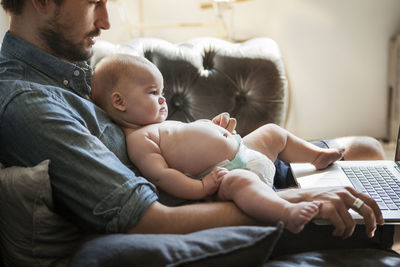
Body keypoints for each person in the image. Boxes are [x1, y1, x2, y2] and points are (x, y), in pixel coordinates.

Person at [0, 0, 393, 260]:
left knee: (367, 150)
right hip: (225, 197)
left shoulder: (69, 67)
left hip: (229, 172)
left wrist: (207, 135)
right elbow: (147, 219)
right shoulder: (30, 104)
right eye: (92, 2)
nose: (104, 21)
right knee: (377, 211)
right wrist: (290, 201)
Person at [90, 54, 348, 233]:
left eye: (162, 92)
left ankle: (315, 156)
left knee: (272, 133)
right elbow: (163, 176)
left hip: (245, 152)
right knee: (241, 184)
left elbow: (190, 140)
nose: (162, 99)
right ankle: (285, 212)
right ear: (119, 102)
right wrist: (202, 187)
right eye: (152, 92)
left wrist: (212, 127)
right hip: (225, 177)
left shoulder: (157, 126)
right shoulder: (139, 139)